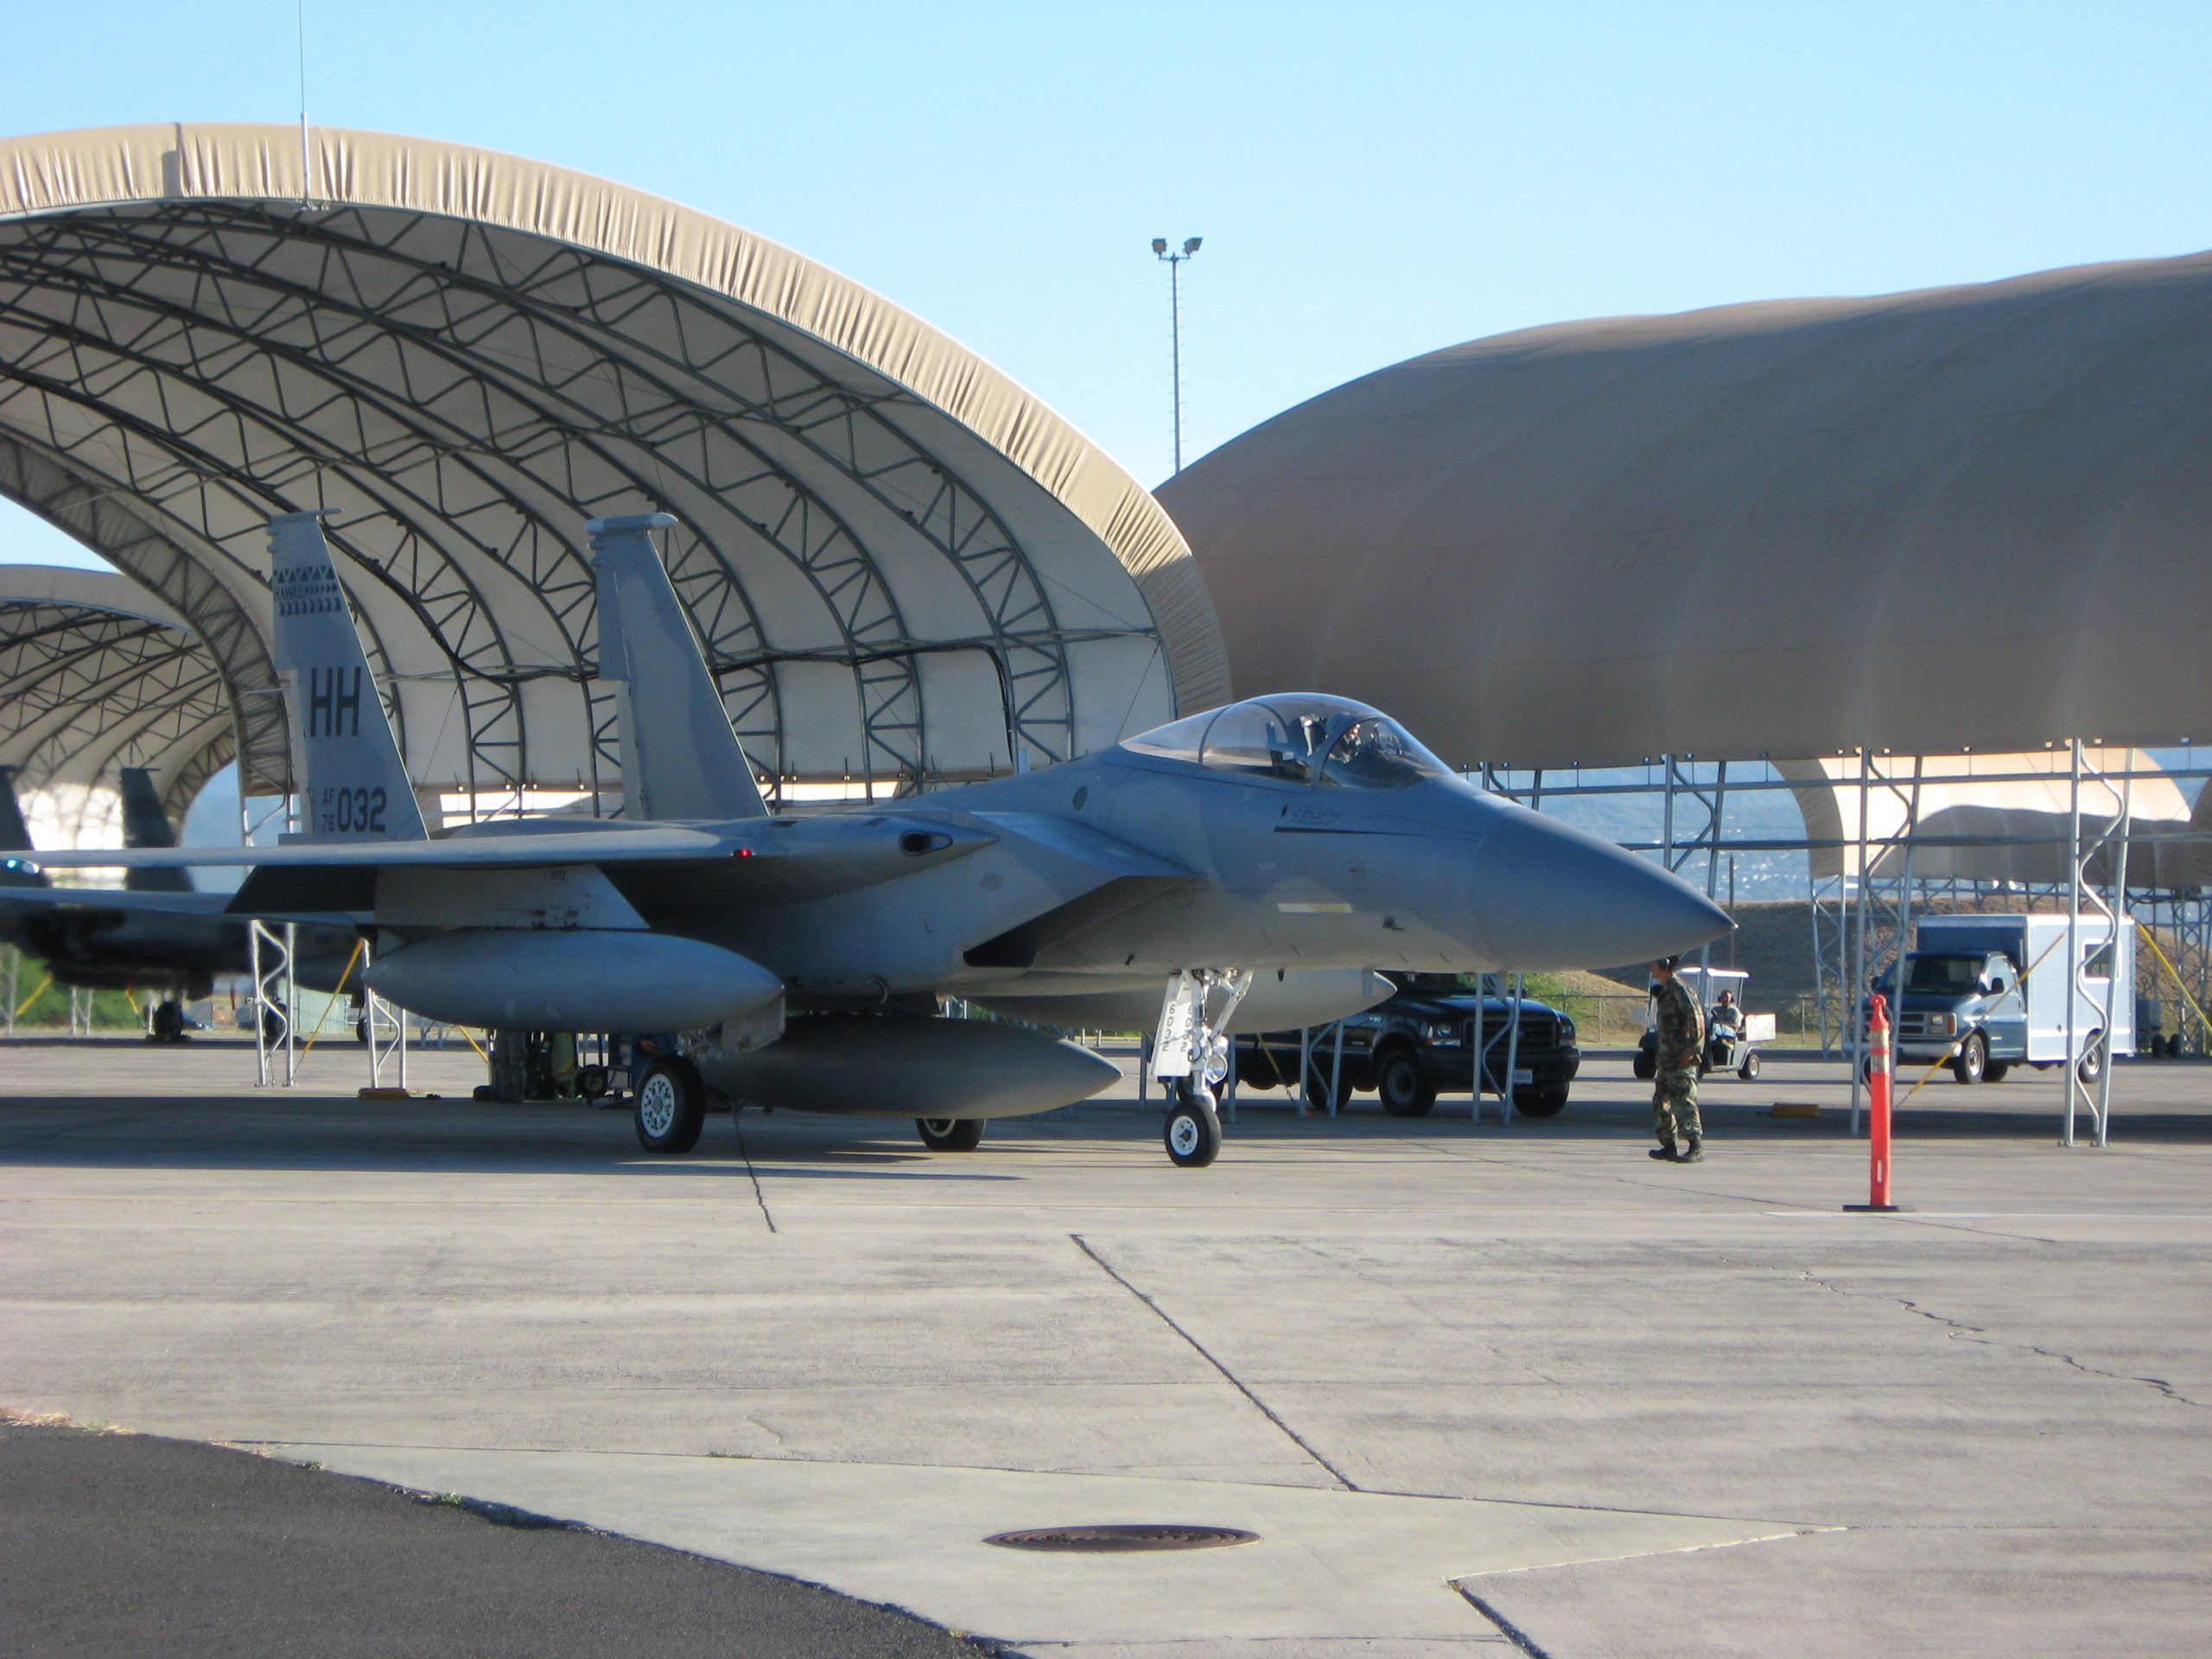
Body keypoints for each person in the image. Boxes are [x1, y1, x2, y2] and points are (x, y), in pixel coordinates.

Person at [1649, 955, 1706, 1163]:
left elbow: (1696, 1017)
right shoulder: (1665, 991)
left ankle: (1696, 1146)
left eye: (1654, 963)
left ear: (1664, 964)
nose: (1651, 966)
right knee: (1660, 1102)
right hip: (1666, 1059)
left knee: (1684, 1100)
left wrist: (1693, 1049)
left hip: (1681, 1057)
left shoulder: (1679, 990)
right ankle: (1669, 1145)